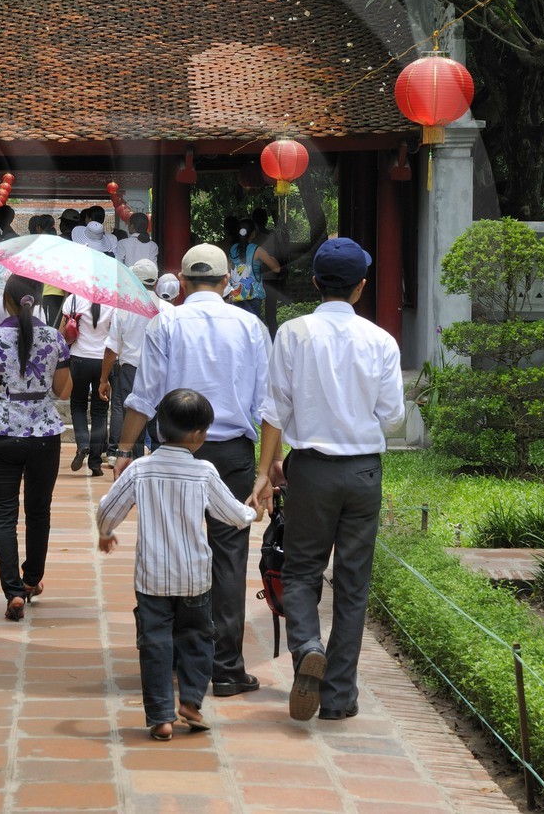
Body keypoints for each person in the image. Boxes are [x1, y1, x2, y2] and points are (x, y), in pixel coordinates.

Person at [251, 238, 404, 722]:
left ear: (315, 283)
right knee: (354, 585)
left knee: (300, 571)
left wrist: (265, 470)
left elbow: (275, 409)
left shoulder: (294, 334)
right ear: (361, 287)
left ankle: (307, 647)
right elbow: (393, 417)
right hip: (363, 473)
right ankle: (339, 697)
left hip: (311, 468)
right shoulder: (381, 341)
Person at [113, 243, 270, 699]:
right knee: (228, 559)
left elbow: (144, 396)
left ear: (181, 282)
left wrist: (125, 450)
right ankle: (224, 667)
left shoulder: (167, 322)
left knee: (170, 548)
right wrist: (270, 464)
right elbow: (267, 404)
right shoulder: (251, 326)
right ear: (228, 283)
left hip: (174, 454)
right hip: (234, 455)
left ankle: (179, 656)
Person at [96, 388, 258, 740]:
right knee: (199, 639)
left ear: (158, 428)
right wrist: (254, 511)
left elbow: (108, 508)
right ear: (199, 435)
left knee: (155, 644)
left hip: (152, 579)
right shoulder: (204, 473)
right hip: (195, 578)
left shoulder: (141, 469)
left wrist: (105, 533)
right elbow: (233, 516)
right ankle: (191, 702)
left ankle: (161, 717)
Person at [0, 275, 73, 620]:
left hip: (3, 432)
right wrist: (65, 351)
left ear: (8, 300)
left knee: (4, 514)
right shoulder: (53, 337)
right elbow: (64, 392)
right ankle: (31, 579)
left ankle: (13, 591)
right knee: (39, 511)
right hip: (45, 433)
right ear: (39, 297)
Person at [99, 259, 169, 459]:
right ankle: (159, 462)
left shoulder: (124, 308)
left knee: (134, 417)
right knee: (159, 419)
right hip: (160, 371)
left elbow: (111, 348)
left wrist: (104, 380)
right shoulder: (168, 309)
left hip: (132, 370)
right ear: (155, 283)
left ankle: (137, 464)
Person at [61, 288, 114, 475]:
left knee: (78, 405)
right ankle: (95, 463)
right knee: (100, 411)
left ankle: (82, 444)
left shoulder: (74, 299)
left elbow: (62, 332)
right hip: (103, 361)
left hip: (79, 359)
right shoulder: (113, 302)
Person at [227, 220, 281, 320]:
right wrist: (272, 258)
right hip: (253, 297)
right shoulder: (257, 250)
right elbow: (277, 269)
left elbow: (228, 268)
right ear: (253, 234)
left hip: (235, 296)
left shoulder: (233, 249)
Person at [42, 209, 81, 326]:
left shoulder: (55, 243)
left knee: (52, 327)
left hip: (52, 292)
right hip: (74, 294)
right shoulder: (79, 244)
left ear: (62, 224)